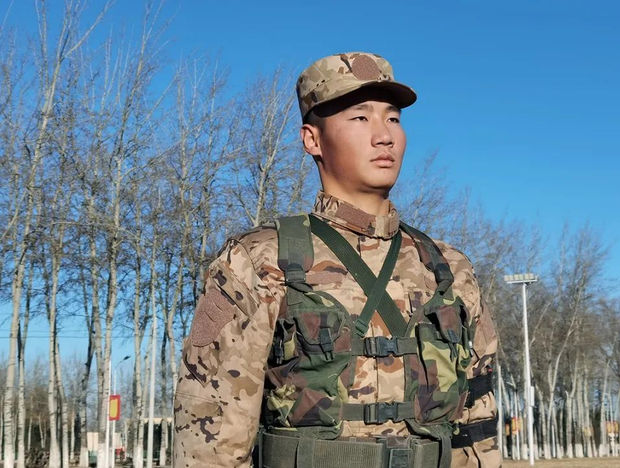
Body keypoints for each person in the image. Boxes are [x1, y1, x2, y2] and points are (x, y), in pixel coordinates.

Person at [173, 52, 500, 468]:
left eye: (393, 118)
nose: (384, 136)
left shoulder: (448, 268)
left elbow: (478, 421)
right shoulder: (260, 260)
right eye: (360, 117)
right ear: (312, 139)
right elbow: (209, 432)